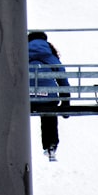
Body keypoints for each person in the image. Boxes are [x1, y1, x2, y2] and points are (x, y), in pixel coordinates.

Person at [27, 31, 71, 161]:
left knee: (17, 114)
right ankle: (50, 145)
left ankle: (14, 143)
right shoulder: (51, 57)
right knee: (49, 114)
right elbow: (63, 81)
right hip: (48, 99)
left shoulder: (20, 54)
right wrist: (65, 103)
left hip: (25, 100)